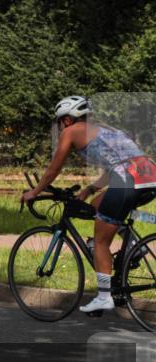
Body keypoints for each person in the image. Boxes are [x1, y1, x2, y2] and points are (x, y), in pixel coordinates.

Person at [21, 96, 156, 313]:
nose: (60, 126)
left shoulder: (71, 132)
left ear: (66, 120)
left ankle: (104, 297)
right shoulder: (104, 129)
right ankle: (130, 250)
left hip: (127, 180)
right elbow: (119, 163)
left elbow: (54, 169)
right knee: (96, 204)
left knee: (101, 241)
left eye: (59, 121)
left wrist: (34, 192)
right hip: (149, 176)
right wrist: (90, 189)